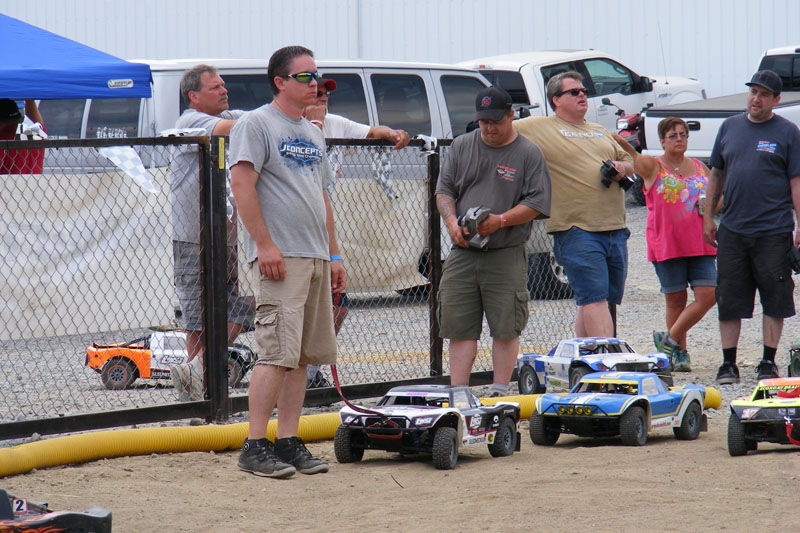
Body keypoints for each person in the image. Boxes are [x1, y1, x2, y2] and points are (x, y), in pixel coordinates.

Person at [230, 45, 345, 478]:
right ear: (279, 82)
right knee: (276, 353)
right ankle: (254, 445)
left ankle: (288, 441)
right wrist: (264, 245)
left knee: (301, 357)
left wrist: (334, 254)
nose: (314, 83)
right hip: (281, 257)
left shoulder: (312, 132)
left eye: (316, 75)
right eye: (304, 76)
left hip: (314, 256)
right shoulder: (256, 123)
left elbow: (321, 196)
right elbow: (242, 185)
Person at [435, 86, 551, 397]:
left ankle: (500, 391)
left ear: (511, 116)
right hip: (463, 251)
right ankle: (459, 394)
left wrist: (500, 221)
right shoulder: (461, 146)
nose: (489, 128)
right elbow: (444, 191)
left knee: (506, 325)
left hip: (506, 251)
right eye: (484, 121)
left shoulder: (528, 153)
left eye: (496, 121)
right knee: (458, 325)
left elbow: (537, 203)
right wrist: (451, 223)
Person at [303, 77, 410, 388]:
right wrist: (314, 123)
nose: (322, 98)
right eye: (316, 93)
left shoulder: (334, 123)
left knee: (337, 305)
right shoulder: (291, 124)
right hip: (295, 231)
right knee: (298, 310)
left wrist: (392, 133)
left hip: (324, 229)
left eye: (325, 94)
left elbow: (370, 132)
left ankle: (310, 373)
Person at [514, 71, 634, 338]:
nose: (582, 95)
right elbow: (501, 128)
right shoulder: (540, 126)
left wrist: (620, 167)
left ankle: (585, 354)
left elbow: (630, 162)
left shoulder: (599, 130)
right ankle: (606, 358)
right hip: (576, 229)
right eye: (574, 92)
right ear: (556, 100)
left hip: (614, 228)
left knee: (594, 300)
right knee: (595, 300)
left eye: (584, 91)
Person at [703, 70, 800, 384]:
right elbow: (715, 175)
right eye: (753, 92)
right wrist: (708, 217)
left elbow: (796, 183)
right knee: (729, 298)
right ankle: (728, 364)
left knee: (775, 297)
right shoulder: (729, 127)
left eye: (764, 94)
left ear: (776, 100)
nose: (756, 99)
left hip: (774, 230)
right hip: (733, 229)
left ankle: (767, 362)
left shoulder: (788, 132)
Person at [168, 64, 255, 401]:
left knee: (244, 306)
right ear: (193, 96)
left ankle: (197, 371)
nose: (224, 91)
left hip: (227, 239)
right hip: (194, 239)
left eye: (223, 85)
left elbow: (251, 118)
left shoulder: (227, 116)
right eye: (215, 87)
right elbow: (237, 126)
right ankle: (195, 396)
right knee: (197, 318)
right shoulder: (189, 122)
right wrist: (273, 120)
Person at [612, 118, 718, 372]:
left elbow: (716, 198)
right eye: (673, 135)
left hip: (701, 241)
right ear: (662, 141)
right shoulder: (653, 166)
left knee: (709, 294)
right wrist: (613, 138)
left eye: (683, 134)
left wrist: (711, 206)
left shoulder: (700, 167)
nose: (679, 139)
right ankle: (679, 352)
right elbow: (634, 157)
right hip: (667, 242)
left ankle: (668, 339)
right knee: (676, 299)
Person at [0, 98, 45, 174]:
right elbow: (37, 120)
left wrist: (29, 100)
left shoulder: (3, 139)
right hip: (35, 180)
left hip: (10, 181)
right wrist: (29, 99)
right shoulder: (36, 133)